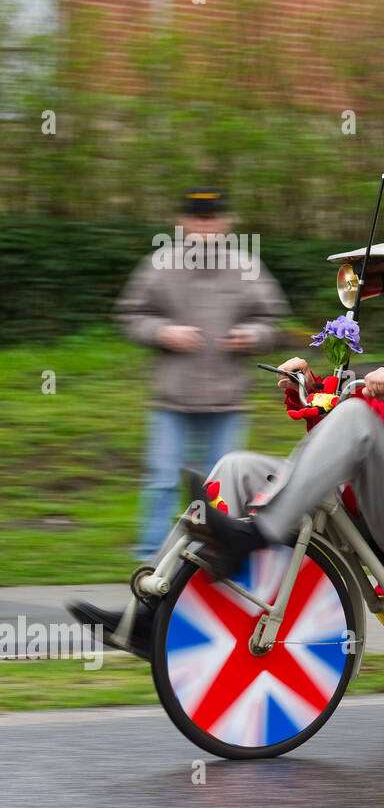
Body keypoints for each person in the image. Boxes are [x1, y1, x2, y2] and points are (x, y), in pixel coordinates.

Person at [71, 263, 384, 658]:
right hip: (376, 508)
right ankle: (149, 613)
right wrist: (308, 383)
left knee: (356, 419)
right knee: (236, 467)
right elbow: (345, 432)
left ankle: (255, 536)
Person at [114, 188, 288, 560]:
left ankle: (209, 558)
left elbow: (272, 320)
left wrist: (251, 335)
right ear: (183, 222)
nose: (205, 226)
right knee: (161, 481)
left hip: (227, 399)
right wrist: (163, 332)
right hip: (171, 397)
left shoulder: (247, 266)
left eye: (212, 218)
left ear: (225, 223)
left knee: (221, 488)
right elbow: (130, 316)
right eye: (197, 218)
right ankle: (151, 559)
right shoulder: (158, 265)